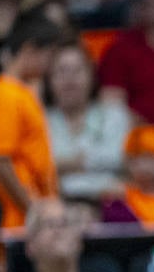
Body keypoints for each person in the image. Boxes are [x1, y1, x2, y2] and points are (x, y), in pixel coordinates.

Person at [0, 11, 59, 227]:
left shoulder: (22, 91)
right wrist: (32, 209)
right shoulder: (6, 95)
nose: (50, 64)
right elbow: (0, 160)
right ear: (29, 49)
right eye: (49, 55)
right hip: (17, 217)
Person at [45, 42, 129, 202]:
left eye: (78, 70)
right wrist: (94, 162)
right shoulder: (39, 120)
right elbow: (36, 168)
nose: (69, 79)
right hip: (57, 205)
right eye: (62, 71)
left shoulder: (114, 115)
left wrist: (65, 164)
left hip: (110, 202)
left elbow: (119, 158)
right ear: (49, 79)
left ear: (91, 76)